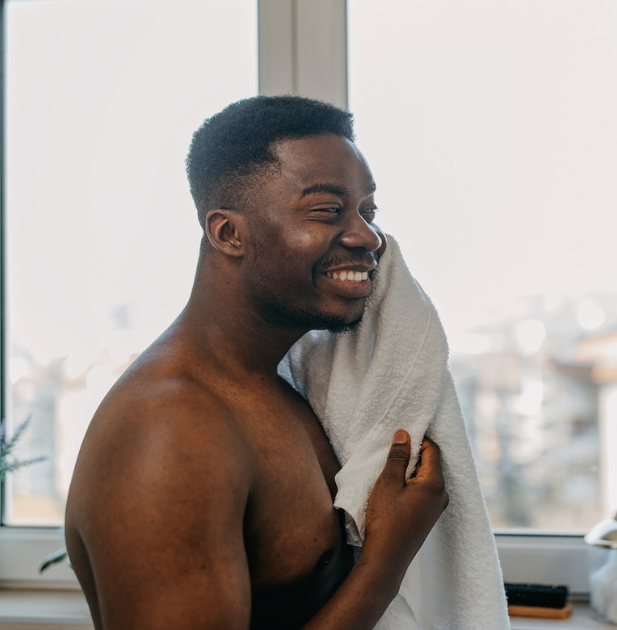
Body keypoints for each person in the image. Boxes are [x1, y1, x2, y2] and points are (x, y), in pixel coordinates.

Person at [64, 96, 449, 630]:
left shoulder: (279, 387)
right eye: (327, 211)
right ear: (228, 234)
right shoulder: (171, 430)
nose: (369, 236)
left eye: (369, 211)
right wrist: (388, 557)